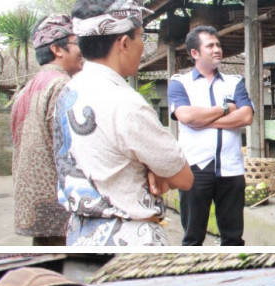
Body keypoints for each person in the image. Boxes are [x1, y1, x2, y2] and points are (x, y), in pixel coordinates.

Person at [54, 0, 193, 246]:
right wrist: (155, 170)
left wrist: (153, 168)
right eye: (140, 36)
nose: (143, 45)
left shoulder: (68, 92)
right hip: (127, 237)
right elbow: (184, 178)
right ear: (124, 43)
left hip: (81, 234)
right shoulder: (126, 103)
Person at [167, 25, 254, 246]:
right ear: (195, 53)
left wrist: (203, 120)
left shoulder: (235, 82)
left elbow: (246, 117)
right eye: (210, 46)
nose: (217, 49)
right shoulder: (179, 82)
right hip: (195, 168)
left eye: (218, 45)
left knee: (233, 238)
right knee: (193, 237)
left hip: (231, 169)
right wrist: (225, 109)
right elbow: (185, 116)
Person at [11, 15, 84, 246]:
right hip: (61, 208)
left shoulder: (25, 90)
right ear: (56, 49)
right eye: (76, 42)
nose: (82, 49)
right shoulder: (62, 86)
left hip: (37, 207)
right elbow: (75, 149)